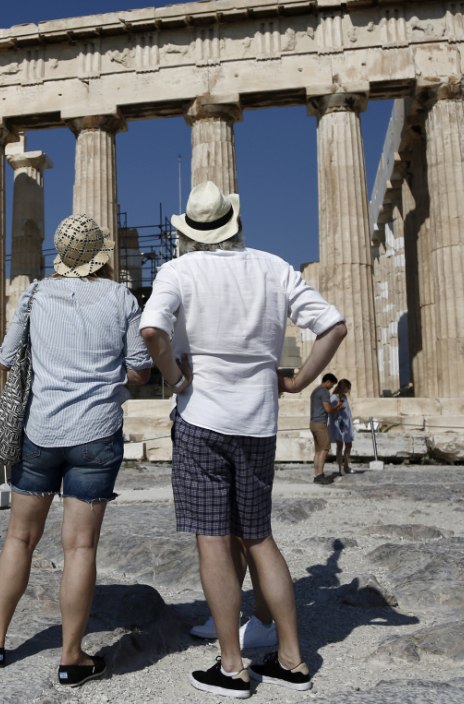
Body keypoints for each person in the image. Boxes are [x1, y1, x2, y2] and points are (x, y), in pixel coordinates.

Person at [140, 181, 346, 698]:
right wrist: (297, 382)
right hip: (259, 421)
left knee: (212, 540)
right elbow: (334, 327)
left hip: (202, 420)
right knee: (258, 537)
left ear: (190, 231)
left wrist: (177, 378)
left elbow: (151, 332)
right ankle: (293, 660)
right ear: (234, 224)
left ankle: (232, 667)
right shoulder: (273, 267)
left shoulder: (177, 270)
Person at [0, 214, 151, 688]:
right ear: (99, 256)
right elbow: (138, 369)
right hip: (96, 433)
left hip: (41, 431)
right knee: (80, 547)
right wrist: (114, 377)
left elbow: (7, 358)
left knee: (19, 539)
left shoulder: (35, 294)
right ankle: (72, 657)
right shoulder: (121, 297)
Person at [309, 374, 338, 484]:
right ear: (328, 382)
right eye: (332, 384)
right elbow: (328, 409)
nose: (331, 387)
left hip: (313, 423)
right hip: (320, 423)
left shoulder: (315, 390)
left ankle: (316, 474)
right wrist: (337, 407)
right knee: (325, 449)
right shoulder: (324, 391)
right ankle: (320, 475)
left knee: (318, 450)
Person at [326, 379, 354, 475]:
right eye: (348, 388)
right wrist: (338, 408)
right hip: (339, 423)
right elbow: (331, 412)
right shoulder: (334, 397)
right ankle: (340, 468)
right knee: (340, 445)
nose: (348, 390)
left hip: (347, 423)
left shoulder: (344, 397)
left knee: (349, 444)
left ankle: (346, 465)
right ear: (345, 387)